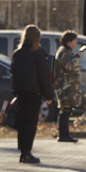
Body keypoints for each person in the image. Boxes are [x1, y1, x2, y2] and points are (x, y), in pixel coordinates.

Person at [10, 25, 54, 164]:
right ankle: (27, 152)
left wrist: (16, 91)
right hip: (33, 93)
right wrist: (49, 95)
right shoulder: (38, 54)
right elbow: (43, 76)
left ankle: (23, 152)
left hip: (21, 93)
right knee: (30, 123)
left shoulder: (17, 53)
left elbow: (13, 74)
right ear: (38, 38)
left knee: (22, 122)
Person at [54, 31, 84, 143]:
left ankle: (66, 135)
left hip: (69, 87)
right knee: (65, 110)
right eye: (74, 40)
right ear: (69, 41)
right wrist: (78, 56)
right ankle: (62, 135)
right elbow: (69, 65)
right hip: (64, 87)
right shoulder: (63, 52)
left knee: (67, 110)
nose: (76, 42)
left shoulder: (68, 52)